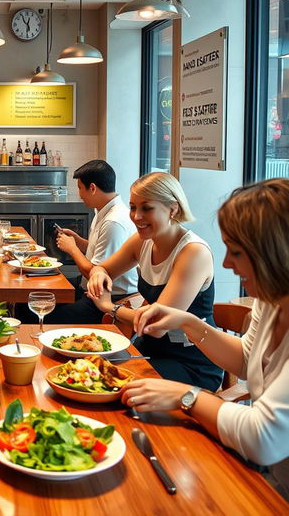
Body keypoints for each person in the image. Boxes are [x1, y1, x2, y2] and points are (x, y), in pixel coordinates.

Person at [121, 179, 289, 499]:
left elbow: (263, 438)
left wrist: (188, 396)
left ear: (276, 254)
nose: (225, 263)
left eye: (237, 252)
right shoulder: (270, 303)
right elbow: (243, 359)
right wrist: (188, 322)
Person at [86, 172, 222, 390]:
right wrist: (100, 273)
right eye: (132, 207)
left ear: (173, 208)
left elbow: (156, 326)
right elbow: (102, 267)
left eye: (146, 208)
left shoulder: (193, 253)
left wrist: (109, 307)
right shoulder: (142, 241)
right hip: (148, 350)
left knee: (107, 384)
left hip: (190, 364)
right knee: (87, 370)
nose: (136, 216)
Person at [52, 160, 138, 323]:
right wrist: (78, 242)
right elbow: (99, 251)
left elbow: (95, 273)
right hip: (90, 289)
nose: (79, 194)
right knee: (37, 295)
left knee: (35, 310)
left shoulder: (114, 221)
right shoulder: (103, 210)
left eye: (79, 188)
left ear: (92, 188)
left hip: (109, 298)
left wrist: (72, 249)